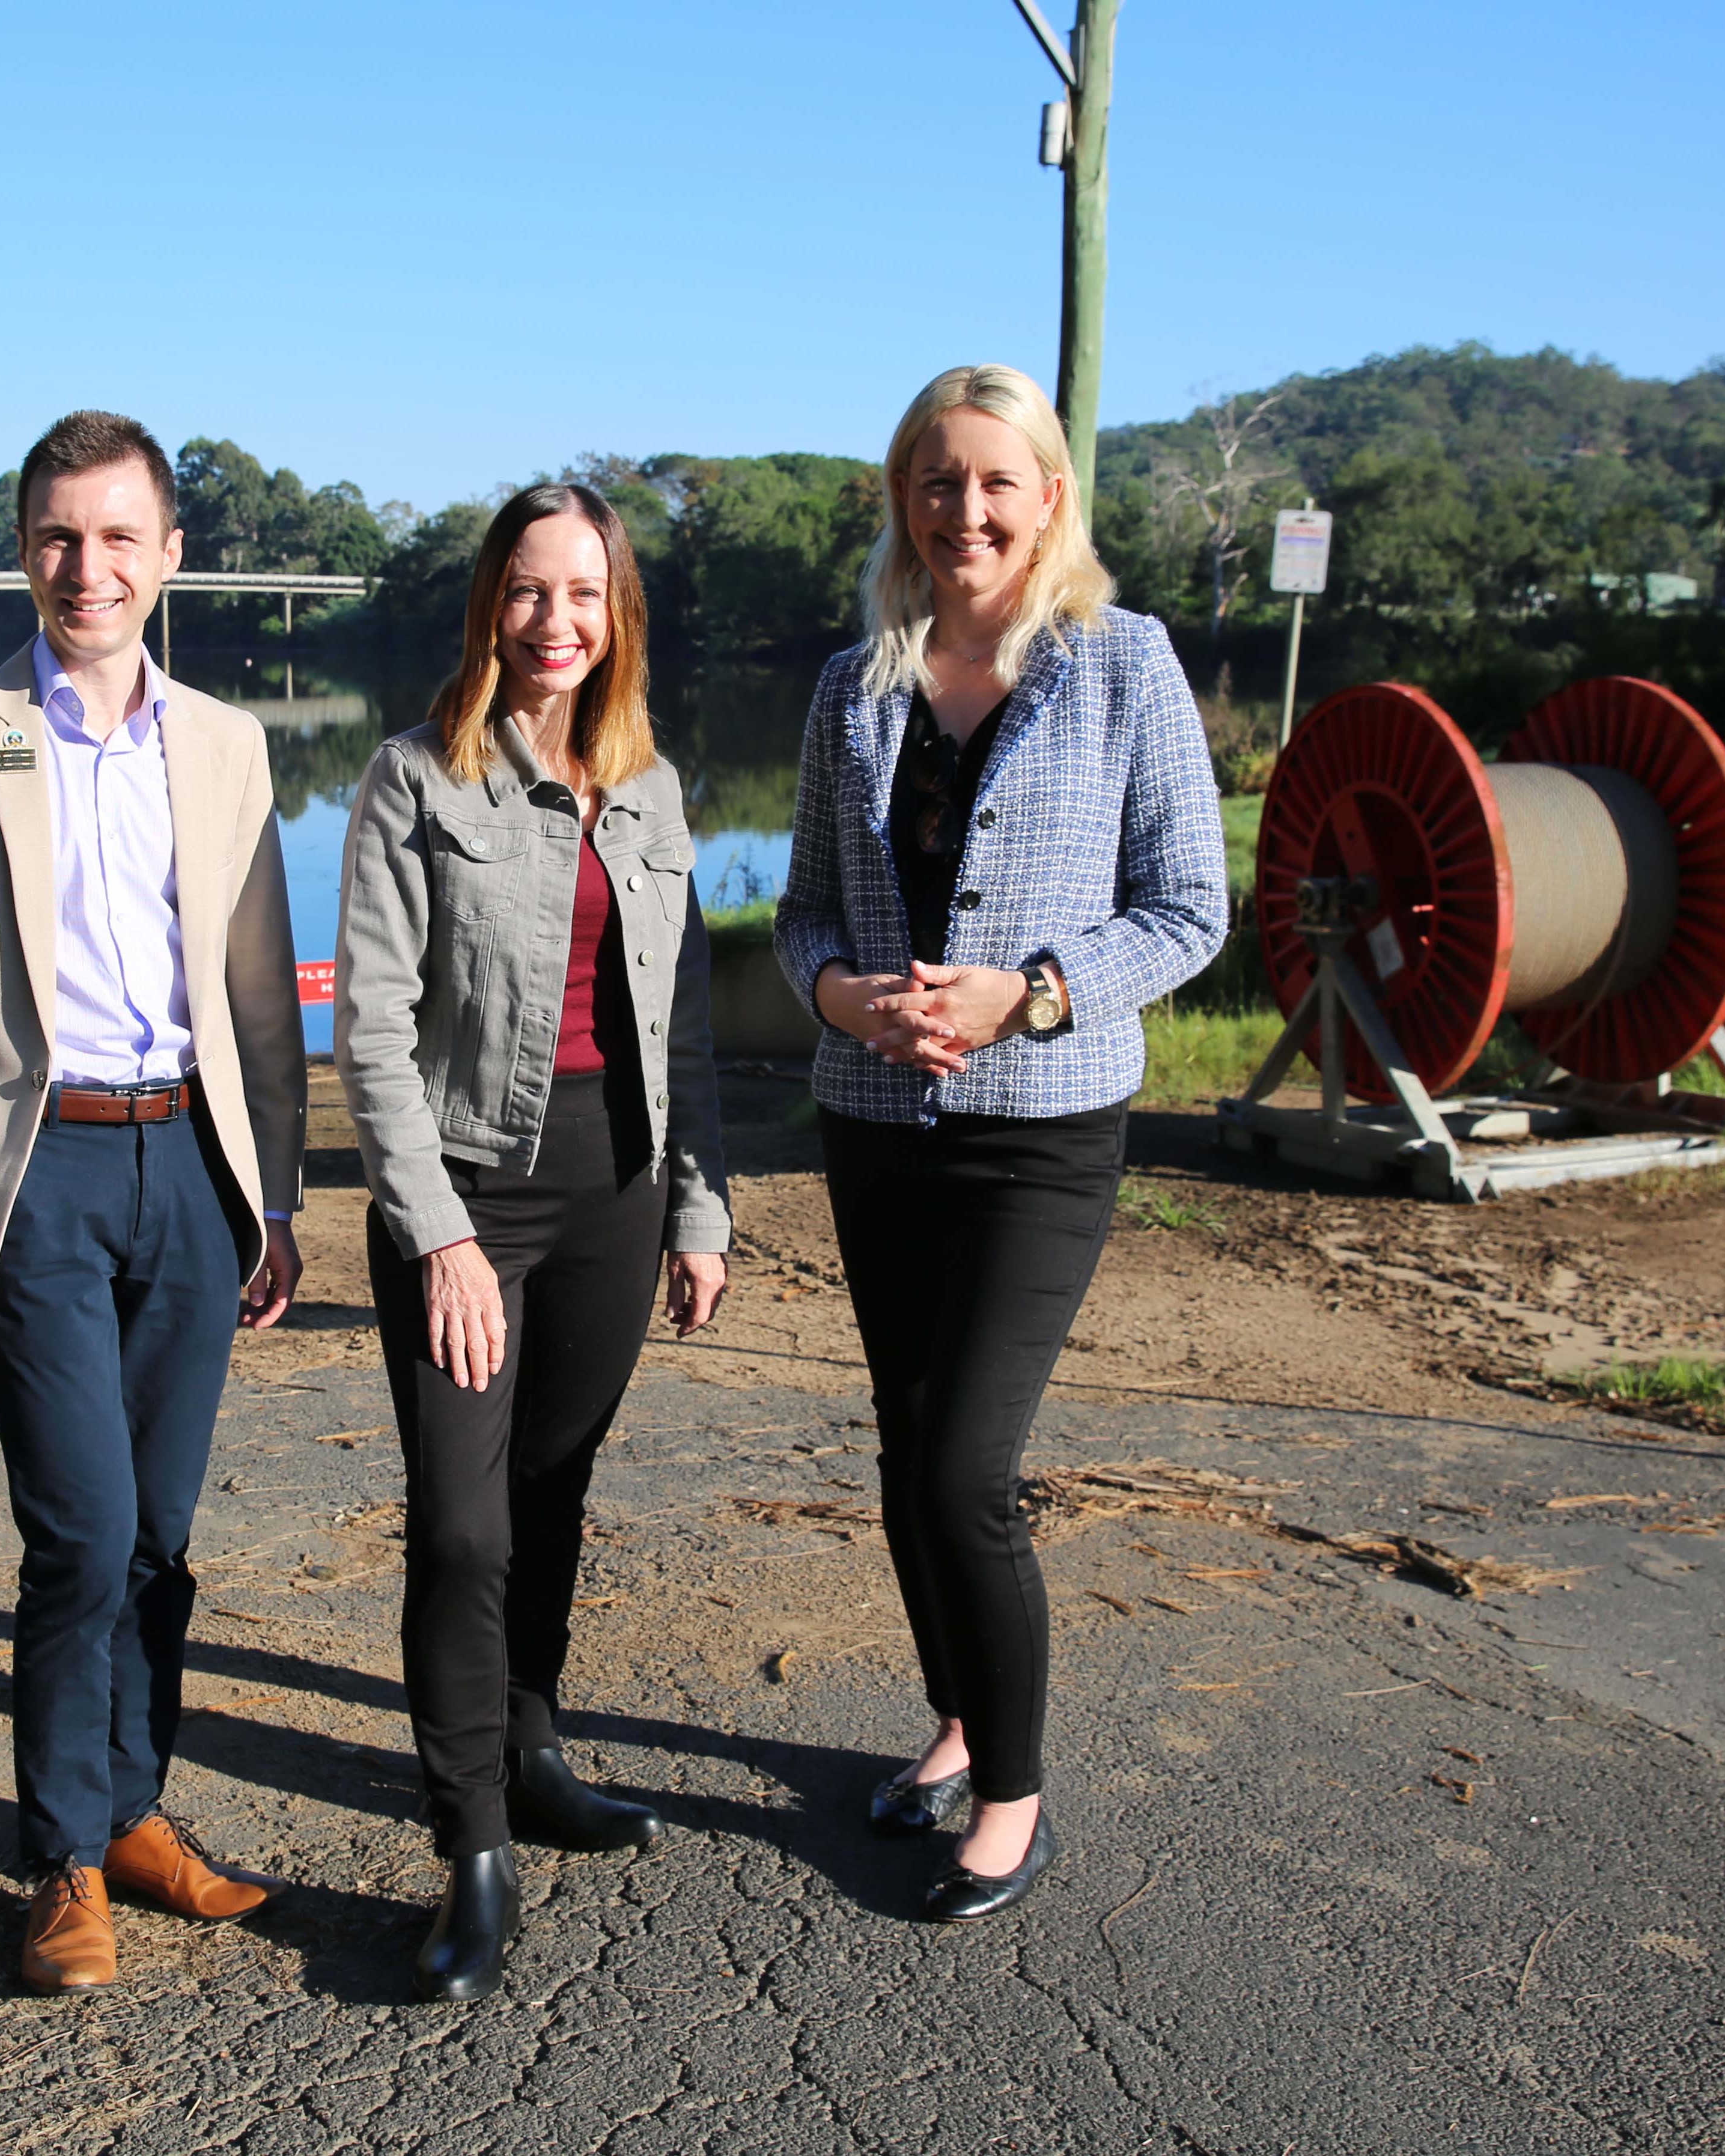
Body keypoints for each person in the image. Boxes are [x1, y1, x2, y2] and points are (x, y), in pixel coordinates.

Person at [0, 410, 309, 1993]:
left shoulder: (231, 747)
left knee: (163, 1539)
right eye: (58, 534)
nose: (87, 566)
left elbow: (258, 1002)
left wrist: (278, 1199)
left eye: (120, 536)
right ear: (23, 548)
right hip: (33, 1178)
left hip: (188, 1162)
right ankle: (57, 1857)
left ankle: (132, 1810)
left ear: (170, 556)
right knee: (83, 1532)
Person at [773, 365, 1228, 1923]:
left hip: (1044, 1128)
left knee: (969, 1462)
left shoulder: (1124, 664)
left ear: (1047, 495)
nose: (964, 509)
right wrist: (845, 998)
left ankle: (1015, 1793)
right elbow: (806, 913)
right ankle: (955, 1721)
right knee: (908, 1455)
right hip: (879, 1117)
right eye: (934, 480)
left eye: (993, 480)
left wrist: (1029, 994)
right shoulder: (856, 683)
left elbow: (1191, 909)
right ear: (905, 499)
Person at [335, 483, 731, 2002]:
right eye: (525, 590)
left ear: (615, 612)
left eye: (582, 593)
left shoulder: (653, 791)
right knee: (464, 1522)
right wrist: (432, 1235)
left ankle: (538, 1745)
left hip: (613, 1199)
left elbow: (682, 1026)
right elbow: (369, 1033)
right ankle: (474, 1844)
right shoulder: (410, 783)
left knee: (553, 1495)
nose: (553, 621)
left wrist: (698, 1207)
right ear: (487, 608)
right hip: (468, 1201)